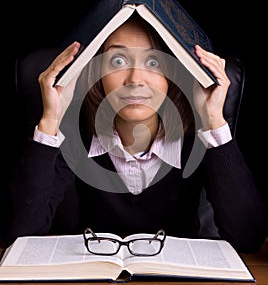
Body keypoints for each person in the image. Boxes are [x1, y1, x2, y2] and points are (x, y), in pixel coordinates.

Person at [8, 13, 268, 252]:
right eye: (118, 61)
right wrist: (50, 120)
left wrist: (214, 121)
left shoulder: (197, 138)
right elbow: (19, 236)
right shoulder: (73, 136)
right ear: (96, 72)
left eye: (154, 61)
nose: (135, 79)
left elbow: (248, 238)